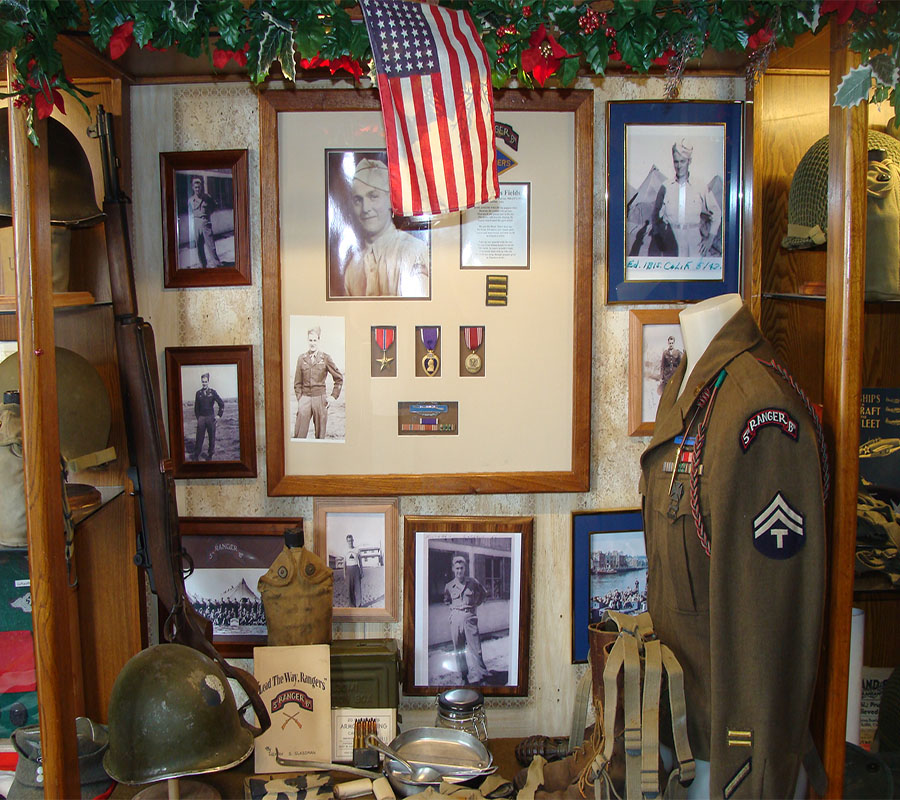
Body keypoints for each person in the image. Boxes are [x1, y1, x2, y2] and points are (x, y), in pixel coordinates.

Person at [639, 294, 826, 798]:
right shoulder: (688, 388)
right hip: (685, 733)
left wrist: (747, 773)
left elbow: (766, 625)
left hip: (728, 756)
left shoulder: (758, 412)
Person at [342, 158, 429, 297]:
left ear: (390, 200)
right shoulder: (353, 268)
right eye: (358, 200)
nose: (365, 208)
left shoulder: (414, 251)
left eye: (373, 197)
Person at [651, 141, 722, 258]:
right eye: (676, 162)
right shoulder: (665, 187)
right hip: (671, 241)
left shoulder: (700, 186)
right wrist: (657, 234)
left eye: (682, 161)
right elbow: (655, 214)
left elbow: (717, 213)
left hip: (694, 243)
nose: (679, 166)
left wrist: (710, 239)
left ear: (689, 161)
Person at [442, 555, 489, 685]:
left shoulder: (473, 583)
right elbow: (447, 600)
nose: (459, 571)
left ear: (465, 569)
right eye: (457, 568)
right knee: (459, 651)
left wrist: (474, 606)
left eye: (461, 568)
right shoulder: (449, 586)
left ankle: (483, 676)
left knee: (476, 650)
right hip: (455, 620)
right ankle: (464, 678)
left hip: (469, 619)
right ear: (453, 569)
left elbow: (483, 594)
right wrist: (454, 611)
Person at [293, 325, 343, 440]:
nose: (312, 343)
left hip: (320, 399)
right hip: (305, 398)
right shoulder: (301, 358)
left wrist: (333, 396)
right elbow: (297, 382)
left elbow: (339, 378)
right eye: (310, 340)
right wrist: (300, 399)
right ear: (307, 340)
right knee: (299, 435)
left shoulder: (325, 358)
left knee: (320, 436)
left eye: (315, 340)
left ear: (319, 340)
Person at [188, 176, 221, 269]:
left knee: (211, 245)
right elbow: (190, 212)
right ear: (193, 188)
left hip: (205, 223)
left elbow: (214, 206)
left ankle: (217, 264)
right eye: (195, 187)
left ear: (201, 187)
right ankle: (203, 265)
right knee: (199, 246)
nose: (197, 189)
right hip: (196, 223)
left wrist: (207, 215)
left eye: (199, 187)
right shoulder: (190, 200)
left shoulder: (207, 197)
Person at [191, 372, 224, 461]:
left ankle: (210, 455)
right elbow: (196, 408)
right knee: (199, 438)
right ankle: (196, 455)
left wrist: (219, 415)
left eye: (205, 382)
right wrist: (199, 418)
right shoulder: (198, 393)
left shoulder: (213, 392)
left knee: (211, 438)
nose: (204, 383)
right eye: (203, 382)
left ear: (208, 382)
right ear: (201, 382)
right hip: (201, 418)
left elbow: (221, 403)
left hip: (210, 418)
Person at [343, 534, 363, 607]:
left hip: (356, 569)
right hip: (349, 570)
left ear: (353, 540)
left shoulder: (357, 550)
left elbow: (360, 561)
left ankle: (359, 604)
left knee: (358, 588)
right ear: (347, 542)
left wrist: (362, 571)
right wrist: (344, 573)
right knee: (350, 588)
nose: (350, 542)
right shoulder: (345, 550)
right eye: (348, 541)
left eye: (351, 540)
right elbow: (344, 563)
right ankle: (352, 604)